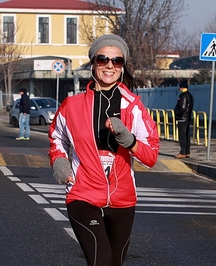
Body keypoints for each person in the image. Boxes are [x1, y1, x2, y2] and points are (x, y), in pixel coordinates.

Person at [48, 34, 160, 266]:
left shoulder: (133, 106)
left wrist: (129, 140)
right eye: (103, 59)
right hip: (83, 193)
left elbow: (151, 156)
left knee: (115, 263)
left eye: (117, 61)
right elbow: (57, 137)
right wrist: (59, 161)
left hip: (122, 198)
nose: (110, 65)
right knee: (101, 260)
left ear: (122, 67)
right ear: (93, 64)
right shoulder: (72, 106)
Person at [174, 80, 194, 159]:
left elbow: (182, 107)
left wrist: (176, 112)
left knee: (182, 136)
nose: (179, 88)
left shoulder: (183, 96)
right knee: (186, 136)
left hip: (182, 118)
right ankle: (187, 152)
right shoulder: (190, 95)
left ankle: (183, 152)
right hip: (187, 118)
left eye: (180, 87)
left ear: (182, 87)